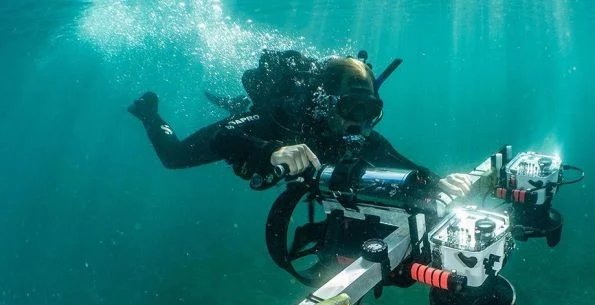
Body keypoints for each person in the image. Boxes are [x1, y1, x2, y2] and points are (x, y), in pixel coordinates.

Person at [127, 50, 472, 197]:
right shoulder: (285, 116)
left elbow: (393, 159)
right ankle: (148, 113)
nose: (361, 123)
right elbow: (227, 135)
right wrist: (270, 152)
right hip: (260, 126)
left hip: (267, 125)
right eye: (352, 109)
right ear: (326, 102)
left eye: (371, 112)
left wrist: (435, 181)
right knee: (174, 158)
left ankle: (237, 102)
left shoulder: (356, 132)